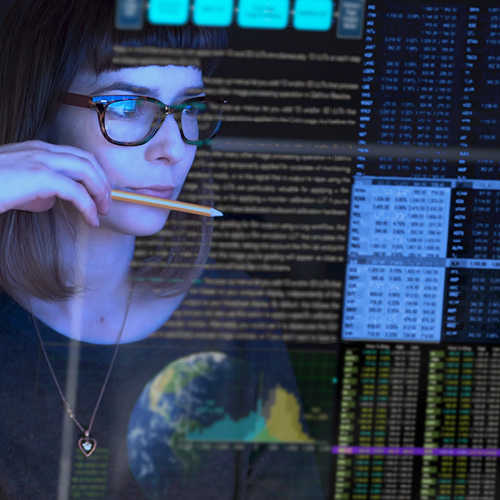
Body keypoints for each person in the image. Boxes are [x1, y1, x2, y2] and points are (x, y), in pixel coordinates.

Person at [0, 0, 325, 498]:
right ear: (41, 115)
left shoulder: (234, 317)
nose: (173, 148)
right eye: (128, 106)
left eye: (189, 109)